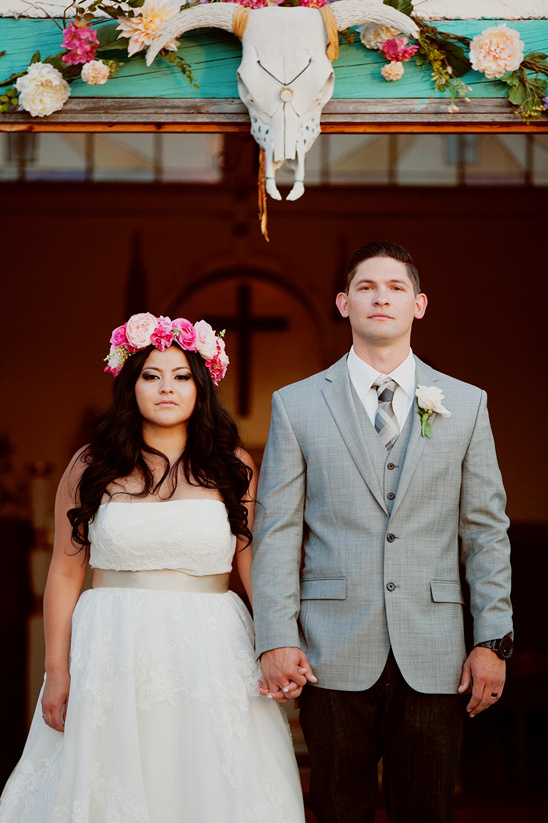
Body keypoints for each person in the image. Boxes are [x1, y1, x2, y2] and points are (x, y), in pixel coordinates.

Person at [0, 312, 305, 823]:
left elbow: (255, 561)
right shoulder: (91, 465)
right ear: (130, 384)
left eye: (182, 376)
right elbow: (65, 573)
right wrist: (56, 671)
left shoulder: (233, 465)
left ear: (201, 386)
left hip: (211, 650)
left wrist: (279, 640)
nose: (167, 388)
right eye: (151, 375)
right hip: (111, 648)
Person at [251, 241, 513, 823]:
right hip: (329, 649)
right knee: (337, 809)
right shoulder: (295, 406)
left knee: (426, 810)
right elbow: (277, 529)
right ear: (343, 304)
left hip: (436, 649)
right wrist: (275, 635)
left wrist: (492, 639)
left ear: (419, 305)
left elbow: (486, 529)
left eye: (396, 288)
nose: (381, 298)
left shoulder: (467, 406)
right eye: (367, 287)